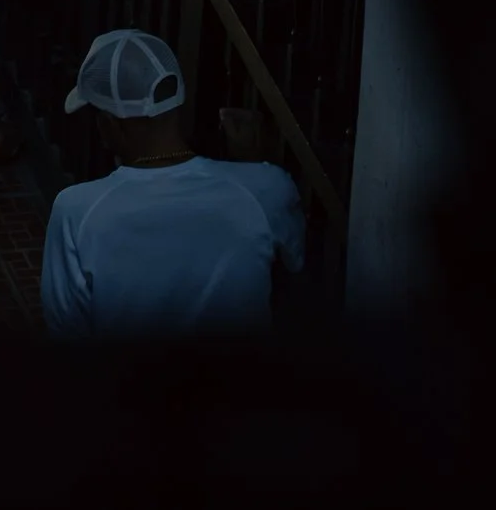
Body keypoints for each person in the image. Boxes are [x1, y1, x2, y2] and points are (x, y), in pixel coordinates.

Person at [42, 28, 306, 341]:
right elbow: (295, 262)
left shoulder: (75, 211)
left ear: (108, 125)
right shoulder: (267, 189)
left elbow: (66, 333)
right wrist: (251, 164)